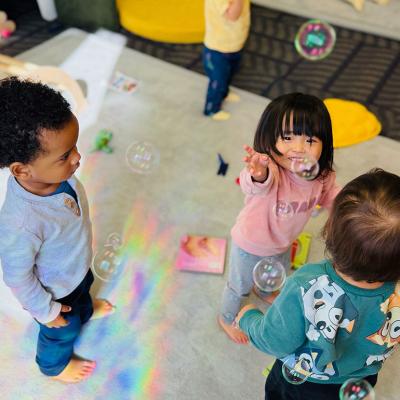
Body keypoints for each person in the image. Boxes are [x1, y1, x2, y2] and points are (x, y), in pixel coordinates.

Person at [236, 168, 400, 400]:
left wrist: (247, 318)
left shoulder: (306, 284)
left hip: (302, 383)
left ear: (330, 231)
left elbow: (275, 340)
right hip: (360, 379)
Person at [0, 77, 114, 383]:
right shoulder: (22, 223)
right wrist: (46, 311)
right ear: (22, 169)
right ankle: (54, 366)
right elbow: (16, 276)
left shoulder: (52, 176)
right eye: (65, 156)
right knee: (63, 331)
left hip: (76, 267)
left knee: (84, 295)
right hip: (55, 291)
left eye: (74, 147)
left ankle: (86, 310)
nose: (77, 157)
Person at [219, 93, 340, 343]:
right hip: (250, 243)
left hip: (283, 242)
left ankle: (264, 290)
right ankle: (227, 316)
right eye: (287, 137)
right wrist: (258, 172)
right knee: (238, 286)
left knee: (278, 273)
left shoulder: (322, 175)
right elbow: (254, 184)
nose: (298, 148)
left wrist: (346, 210)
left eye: (310, 140)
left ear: (324, 144)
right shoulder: (272, 169)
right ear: (270, 137)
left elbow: (331, 196)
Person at [203, 0, 250, 121]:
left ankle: (224, 93)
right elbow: (232, 16)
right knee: (218, 81)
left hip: (234, 44)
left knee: (228, 74)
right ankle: (211, 109)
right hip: (218, 49)